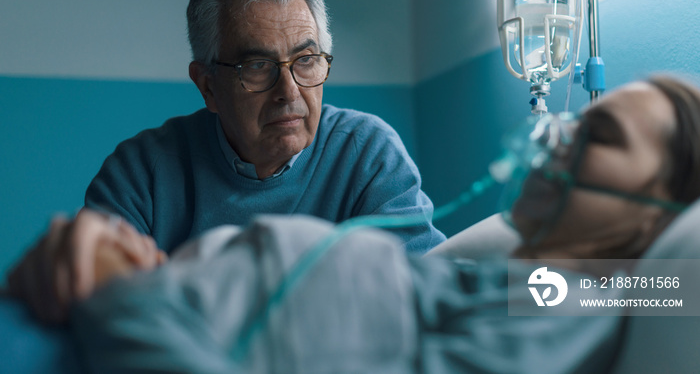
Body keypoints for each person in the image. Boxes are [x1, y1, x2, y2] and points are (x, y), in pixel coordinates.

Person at [67, 75, 700, 373]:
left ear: (660, 213)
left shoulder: (572, 303)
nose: (555, 137)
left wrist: (120, 303)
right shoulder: (497, 283)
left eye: (602, 135)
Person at [6, 0, 445, 324]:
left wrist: (518, 278)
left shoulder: (366, 152)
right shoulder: (141, 172)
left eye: (306, 60)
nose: (289, 92)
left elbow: (436, 289)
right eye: (257, 66)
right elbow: (95, 300)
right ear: (209, 86)